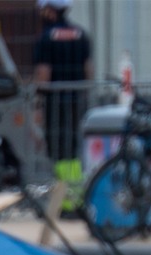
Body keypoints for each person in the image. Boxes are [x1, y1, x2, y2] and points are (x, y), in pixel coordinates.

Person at [33, 1, 93, 180]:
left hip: (54, 103)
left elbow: (43, 73)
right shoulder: (81, 35)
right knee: (73, 148)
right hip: (76, 100)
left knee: (57, 149)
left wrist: (37, 104)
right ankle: (73, 191)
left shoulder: (45, 38)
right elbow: (89, 69)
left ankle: (66, 194)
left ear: (50, 11)